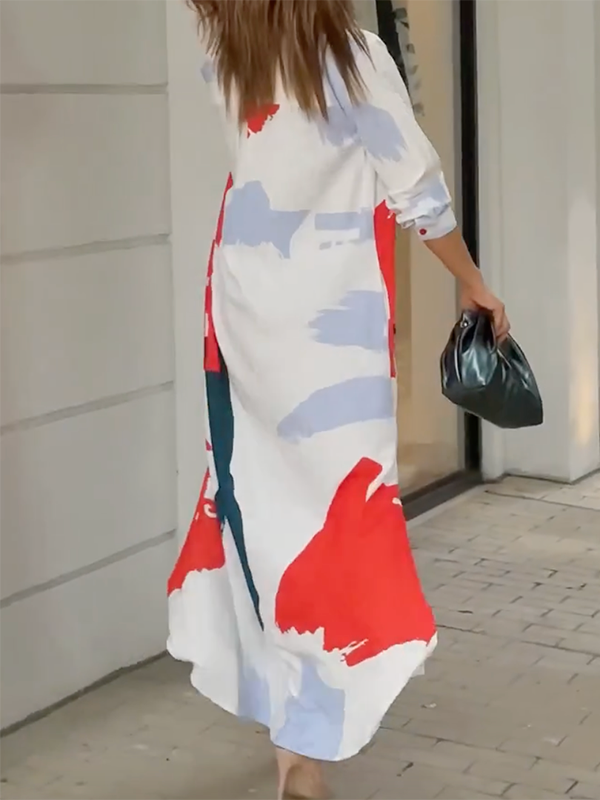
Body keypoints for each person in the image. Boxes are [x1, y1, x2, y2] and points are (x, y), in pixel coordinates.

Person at [167, 1, 510, 798]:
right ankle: (311, 727)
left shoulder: (228, 51)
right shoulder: (354, 58)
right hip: (330, 344)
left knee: (260, 513)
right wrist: (472, 282)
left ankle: (296, 752)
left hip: (242, 316)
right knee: (339, 522)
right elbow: (418, 192)